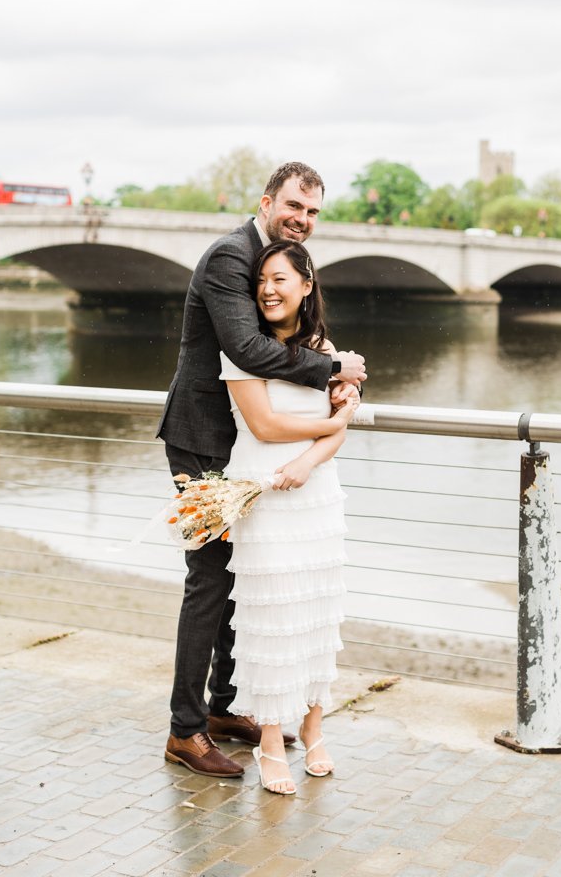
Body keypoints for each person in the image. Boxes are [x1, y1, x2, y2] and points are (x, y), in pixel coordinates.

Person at [157, 162, 366, 778]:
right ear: (267, 201)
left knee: (242, 577)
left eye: (312, 212)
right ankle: (185, 730)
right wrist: (333, 371)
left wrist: (335, 368)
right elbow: (248, 351)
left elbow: (292, 338)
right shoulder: (230, 258)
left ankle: (224, 708)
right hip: (204, 441)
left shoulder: (270, 259)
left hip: (248, 441)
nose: (302, 219)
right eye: (294, 206)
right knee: (211, 581)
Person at [221, 240, 358, 794]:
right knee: (270, 620)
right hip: (262, 493)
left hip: (316, 497)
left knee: (316, 613)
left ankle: (314, 726)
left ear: (306, 286)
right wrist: (338, 419)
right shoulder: (242, 348)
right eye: (262, 281)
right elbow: (265, 427)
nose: (269, 289)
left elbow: (332, 435)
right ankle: (271, 741)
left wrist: (310, 458)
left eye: (281, 279)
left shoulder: (325, 351)